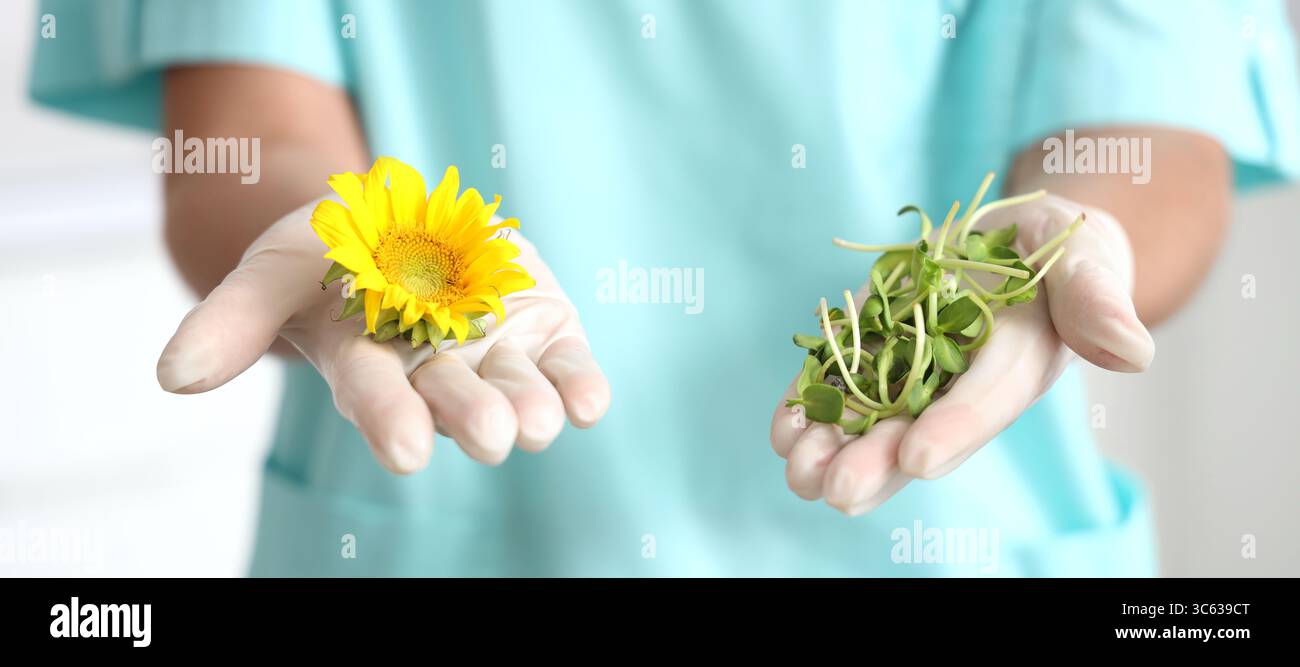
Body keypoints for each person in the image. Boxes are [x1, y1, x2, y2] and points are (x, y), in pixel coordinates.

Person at [30, 0, 1298, 576]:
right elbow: (244, 124)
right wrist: (329, 235)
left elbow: (1152, 131)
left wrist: (1071, 237)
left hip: (954, 532)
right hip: (441, 508)